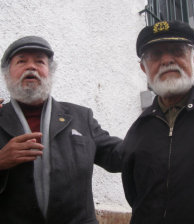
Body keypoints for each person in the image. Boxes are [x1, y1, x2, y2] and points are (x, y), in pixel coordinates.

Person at [0, 36, 122, 224]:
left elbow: (119, 155)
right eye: (21, 61)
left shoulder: (81, 117)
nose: (31, 67)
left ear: (50, 72)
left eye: (39, 61)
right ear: (7, 74)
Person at [121, 20, 194, 224]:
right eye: (156, 55)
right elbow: (135, 196)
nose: (167, 60)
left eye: (176, 50)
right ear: (144, 68)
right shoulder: (139, 129)